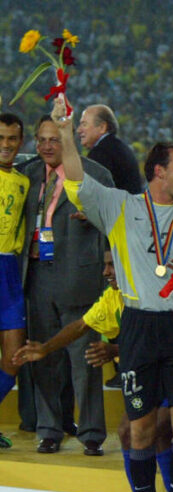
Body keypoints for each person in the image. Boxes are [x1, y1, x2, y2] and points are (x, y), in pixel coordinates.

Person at [54, 95, 173, 492]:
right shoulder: (120, 207)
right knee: (142, 429)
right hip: (139, 326)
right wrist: (64, 131)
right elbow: (77, 180)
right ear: (158, 172)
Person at [20, 115, 113, 455]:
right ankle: (49, 429)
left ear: (68, 139)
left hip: (79, 276)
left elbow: (114, 221)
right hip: (37, 275)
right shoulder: (28, 175)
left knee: (84, 360)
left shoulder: (96, 174)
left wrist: (98, 219)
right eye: (41, 139)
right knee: (42, 357)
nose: (46, 146)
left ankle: (91, 433)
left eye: (54, 139)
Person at [0, 112, 28, 448]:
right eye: (1, 138)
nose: (5, 145)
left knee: (14, 357)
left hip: (9, 271)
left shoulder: (23, 182)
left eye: (11, 139)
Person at [76, 105, 144, 194]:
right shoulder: (117, 147)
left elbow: (88, 194)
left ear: (102, 127)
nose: (79, 130)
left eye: (84, 124)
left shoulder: (101, 153)